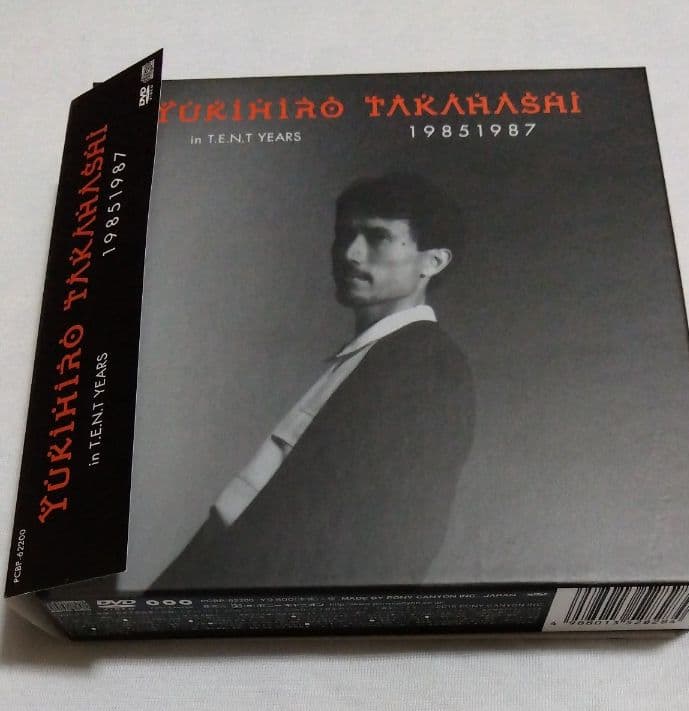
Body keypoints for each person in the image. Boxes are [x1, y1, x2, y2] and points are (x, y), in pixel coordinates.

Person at [152, 173, 475, 590]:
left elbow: (394, 544)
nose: (351, 253)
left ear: (433, 262)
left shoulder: (428, 368)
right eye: (344, 235)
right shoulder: (371, 357)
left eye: (378, 237)